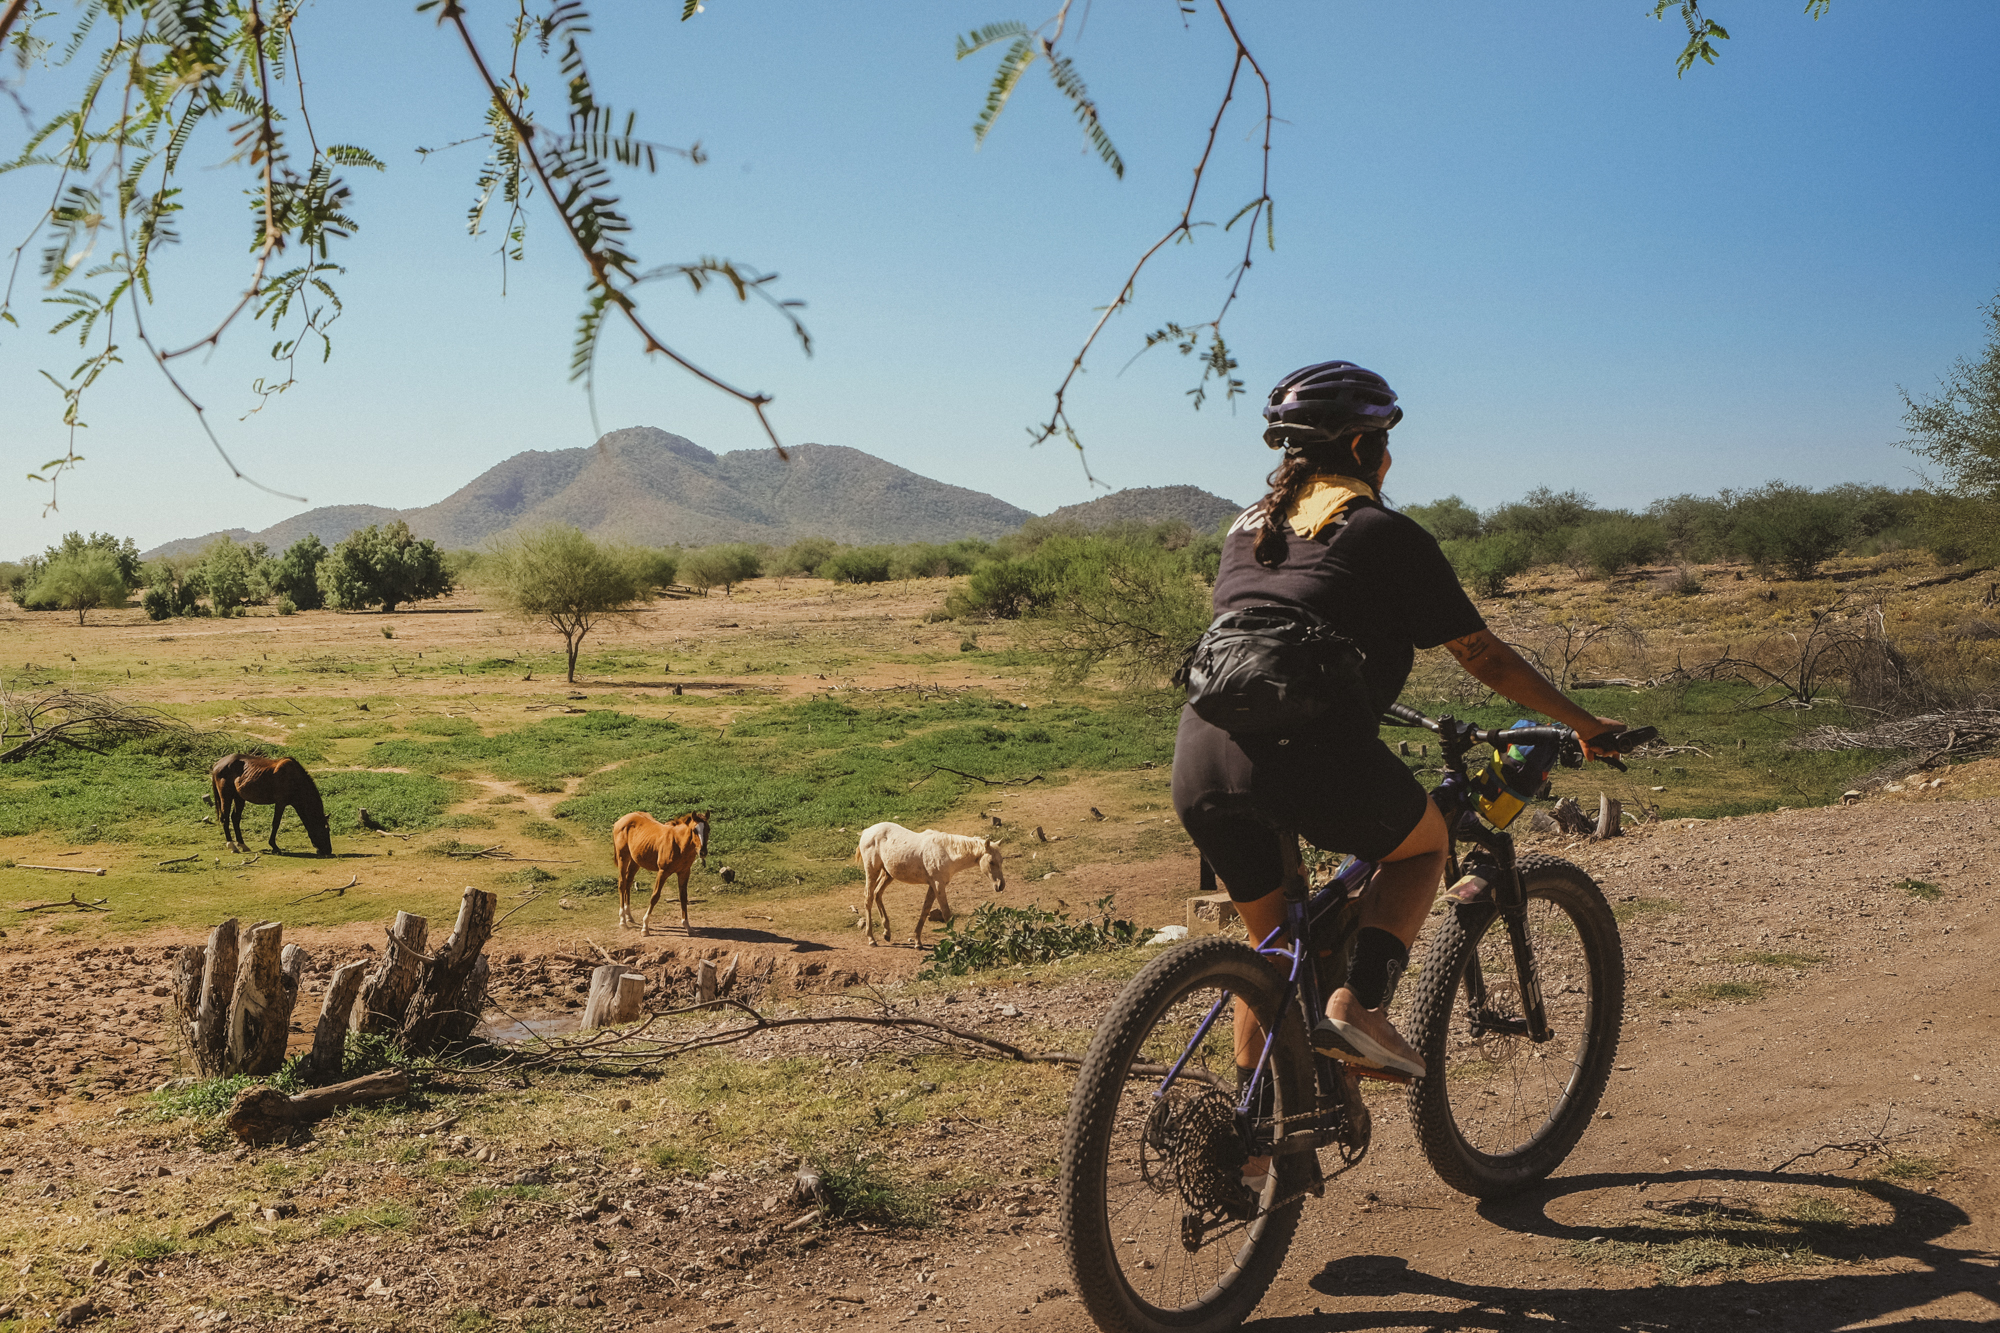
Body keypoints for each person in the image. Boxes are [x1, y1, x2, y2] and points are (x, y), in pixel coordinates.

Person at [1172, 359, 1625, 1109]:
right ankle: (1362, 1009)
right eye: (1384, 441)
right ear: (1360, 450)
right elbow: (1481, 653)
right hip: (1307, 757)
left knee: (1277, 948)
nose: (1389, 458)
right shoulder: (1382, 530)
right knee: (1422, 846)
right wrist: (1585, 722)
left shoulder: (1245, 528)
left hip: (1204, 757)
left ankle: (1249, 1142)